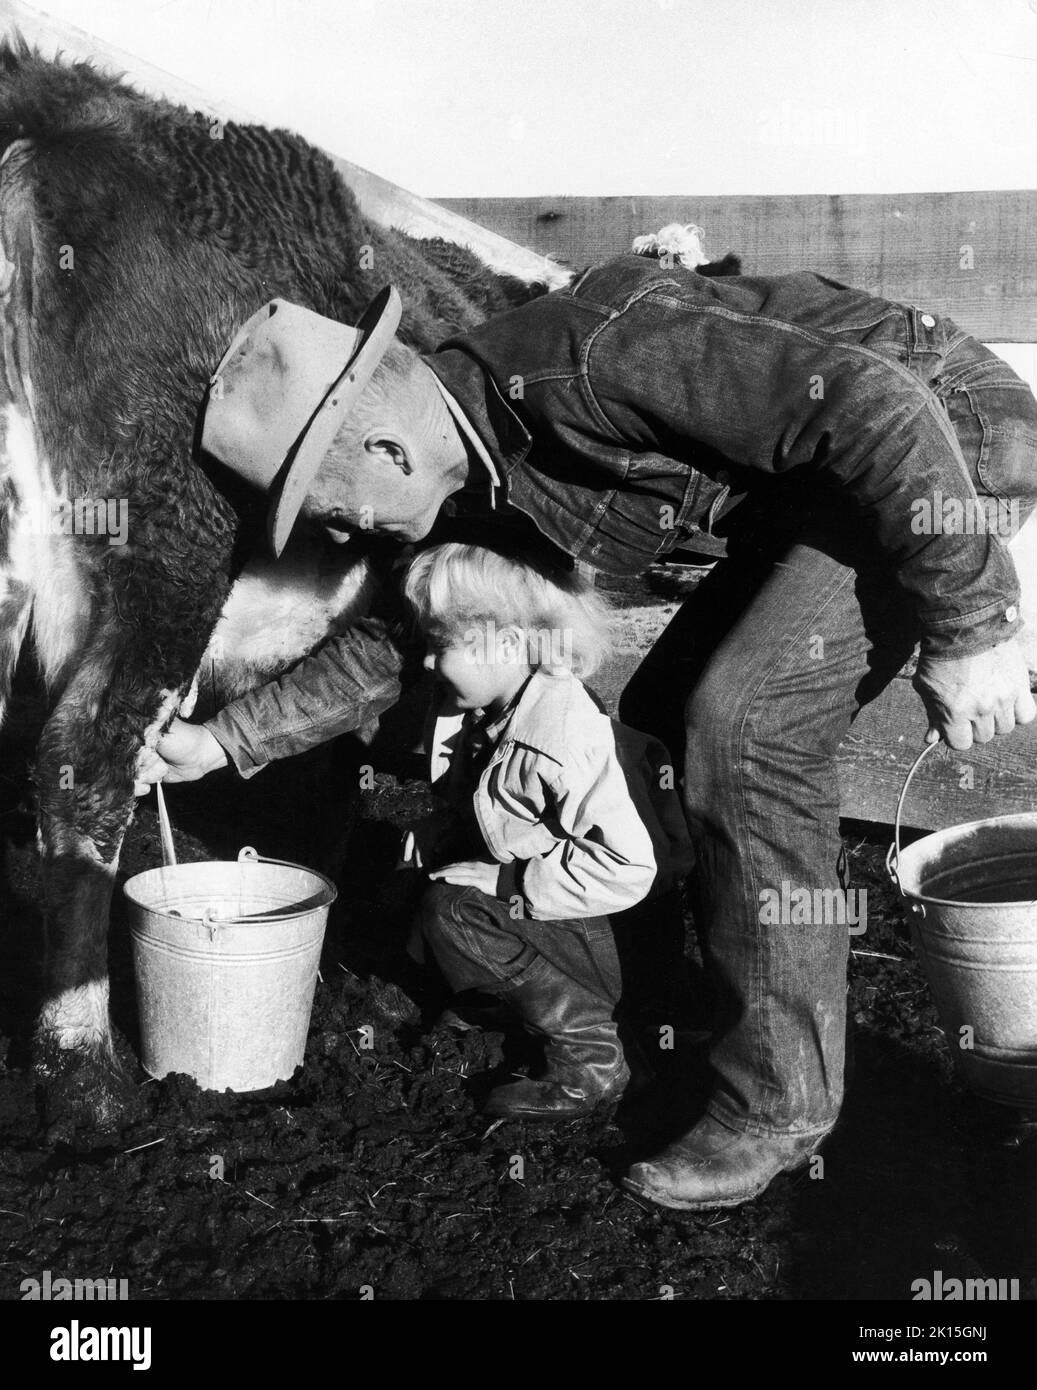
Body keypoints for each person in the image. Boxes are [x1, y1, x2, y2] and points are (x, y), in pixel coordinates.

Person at [140, 254, 1037, 1210]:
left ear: (385, 456)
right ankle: (658, 1007)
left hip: (946, 437)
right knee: (655, 731)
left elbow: (875, 405)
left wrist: (971, 624)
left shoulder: (594, 356)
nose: (348, 540)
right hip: (817, 489)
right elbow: (403, 641)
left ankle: (776, 1108)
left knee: (745, 730)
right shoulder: (474, 473)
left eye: (331, 515)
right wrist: (223, 739)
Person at [393, 540, 692, 1120]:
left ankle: (593, 1054)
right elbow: (490, 803)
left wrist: (511, 883)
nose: (427, 664)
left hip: (608, 929)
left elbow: (630, 867)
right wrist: (438, 828)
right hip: (568, 915)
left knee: (454, 909)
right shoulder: (494, 709)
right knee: (429, 880)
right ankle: (500, 1004)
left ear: (506, 643)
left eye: (440, 646)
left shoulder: (557, 739)